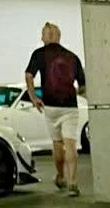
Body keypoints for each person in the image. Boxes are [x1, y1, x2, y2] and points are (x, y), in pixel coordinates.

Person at [24, 22, 85, 198]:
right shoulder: (73, 57)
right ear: (58, 36)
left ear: (47, 36)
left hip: (50, 107)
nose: (42, 37)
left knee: (57, 144)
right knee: (71, 144)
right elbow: (82, 85)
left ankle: (60, 176)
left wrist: (34, 97)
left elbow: (29, 75)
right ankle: (73, 182)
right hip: (70, 107)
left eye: (43, 34)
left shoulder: (39, 54)